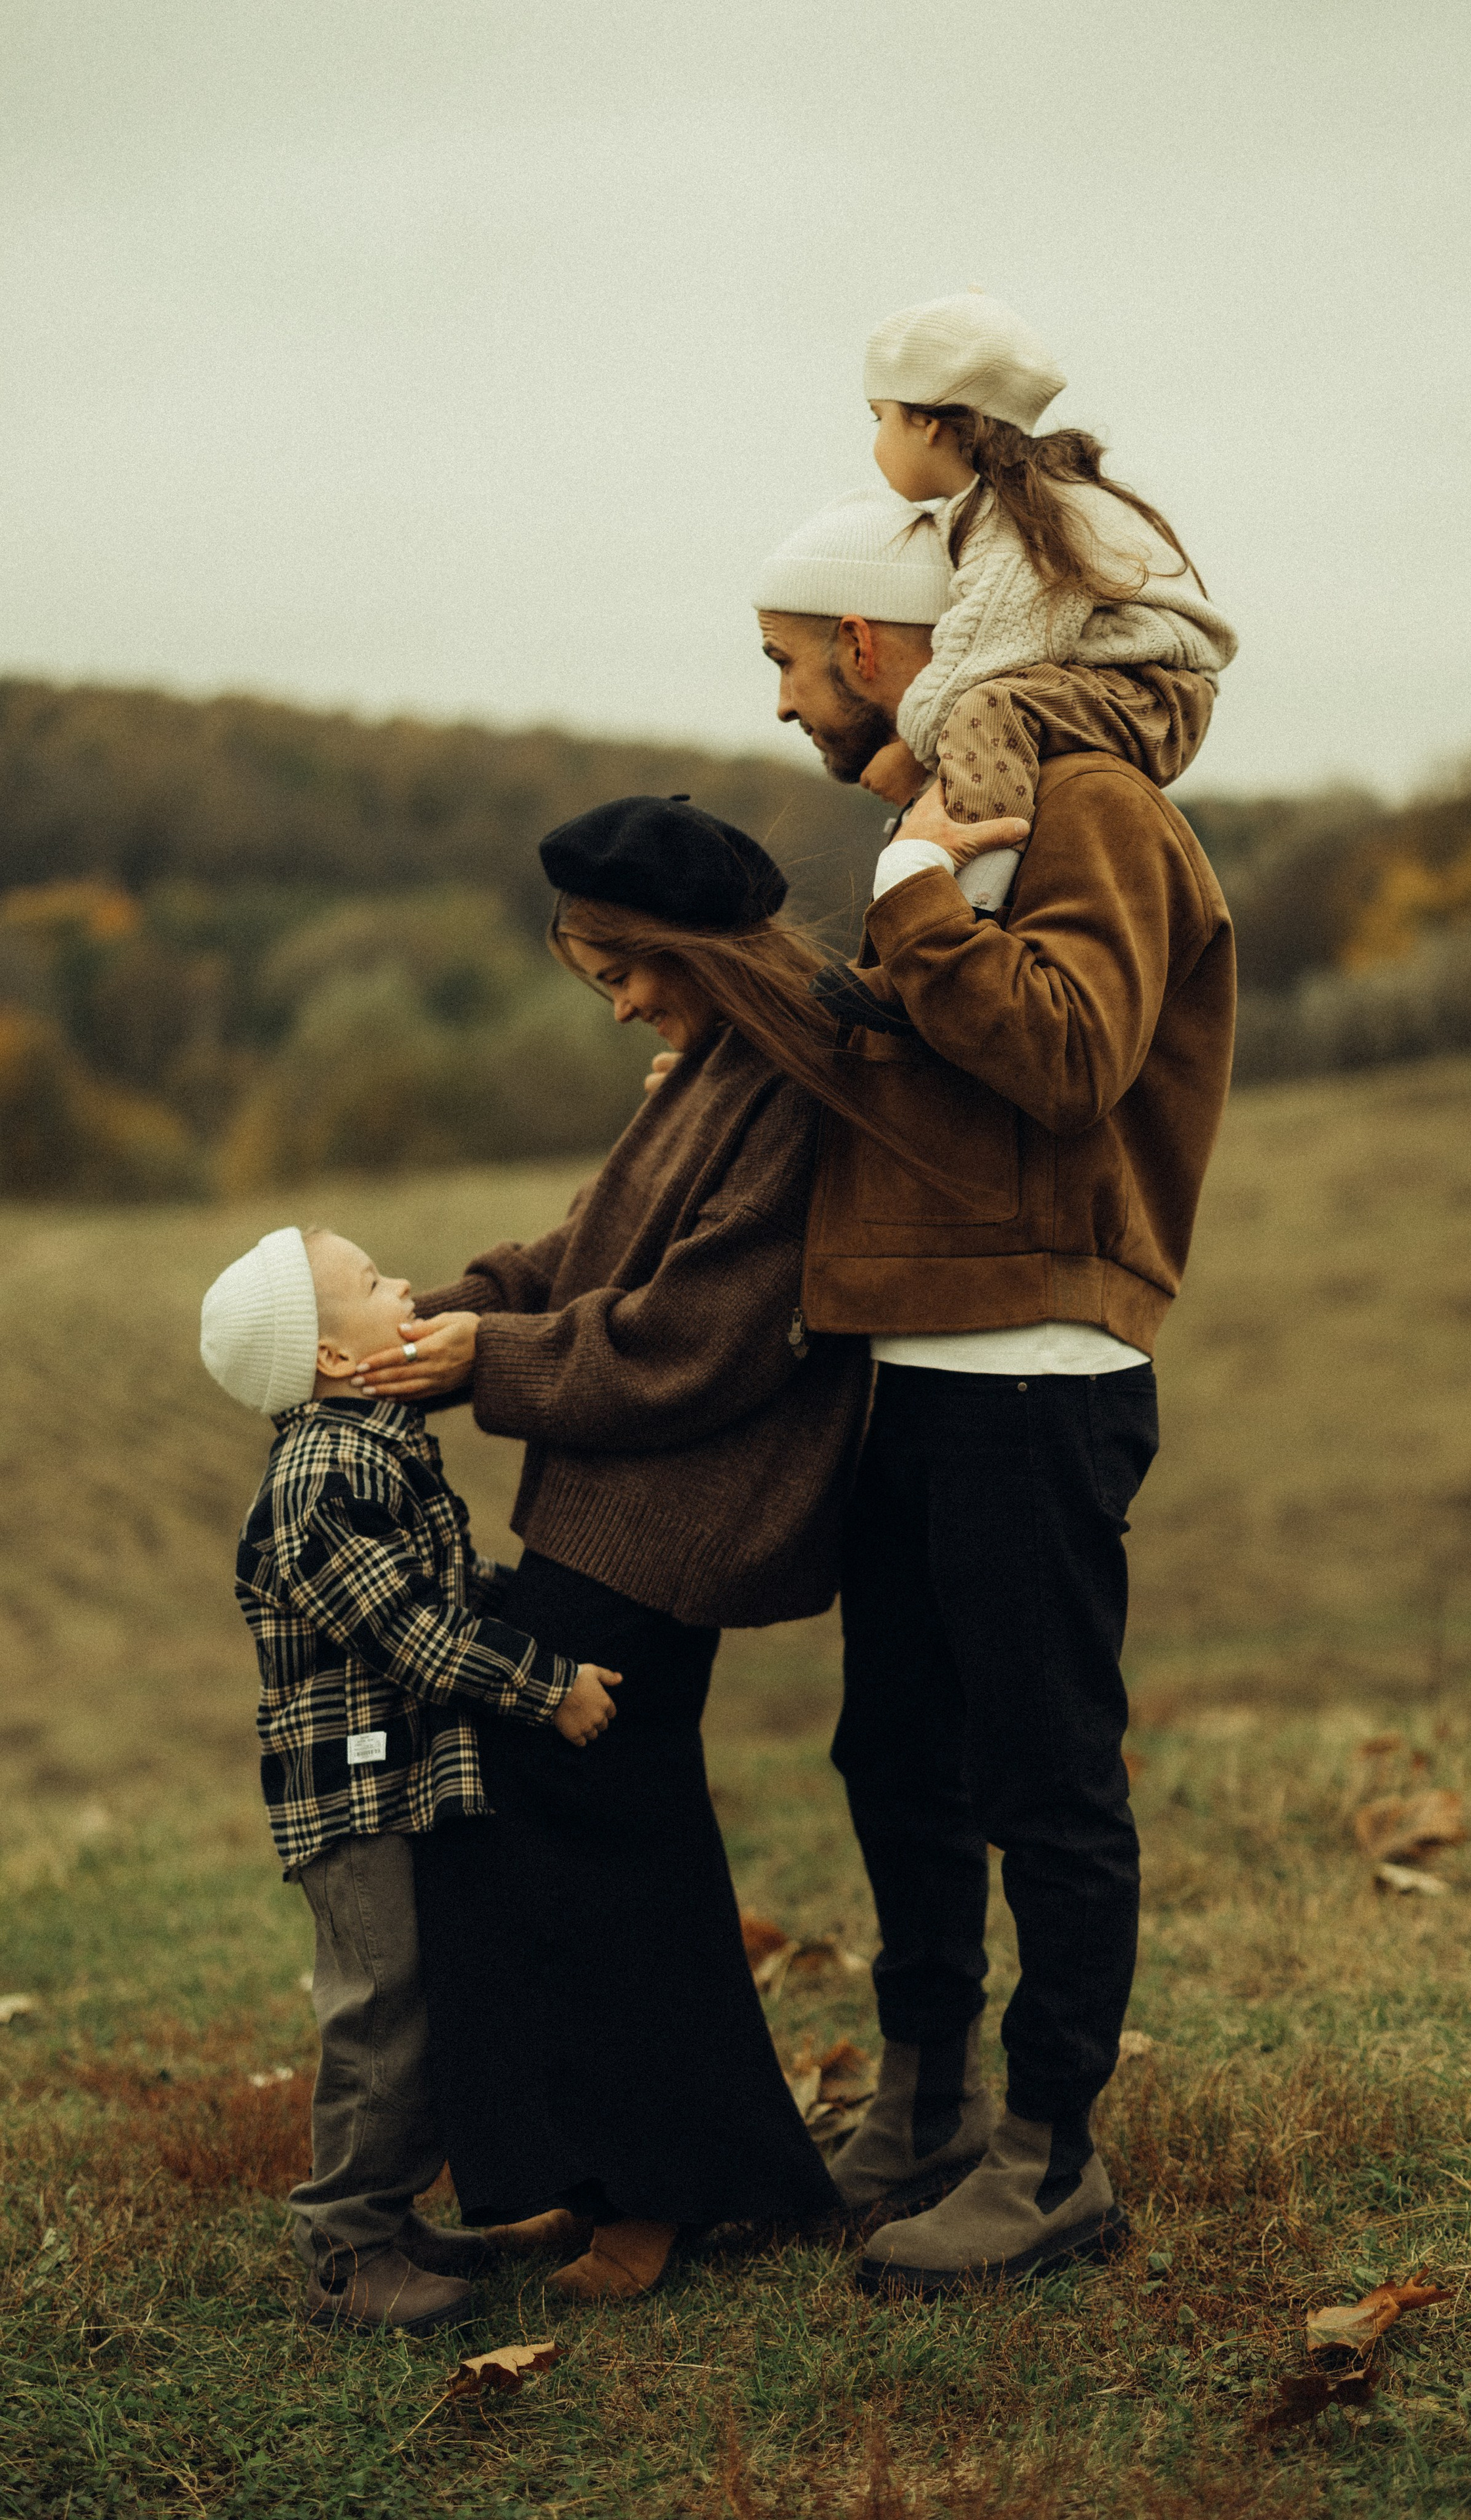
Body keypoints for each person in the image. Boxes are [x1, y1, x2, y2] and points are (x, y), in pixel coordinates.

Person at [350, 795, 953, 2302]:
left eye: (627, 971)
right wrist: (444, 1306)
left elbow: (696, 1337)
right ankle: (605, 2168)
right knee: (555, 1824)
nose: (619, 1002)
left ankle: (675, 2189)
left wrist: (482, 1357)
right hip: (609, 1500)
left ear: (693, 950)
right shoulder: (702, 1072)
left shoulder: (792, 1089)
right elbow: (585, 1249)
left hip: (680, 1513)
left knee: (609, 1841)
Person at [749, 489, 1238, 2293]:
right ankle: (929, 2094)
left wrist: (909, 898)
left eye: (794, 667)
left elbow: (1066, 1054)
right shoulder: (942, 822)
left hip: (1037, 1362)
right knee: (899, 1753)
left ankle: (1051, 2158)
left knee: (1043, 1774)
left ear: (873, 653)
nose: (786, 707)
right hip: (919, 1353)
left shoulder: (1093, 806)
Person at [200, 1225, 620, 2336]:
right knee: (382, 2015)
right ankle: (344, 2252)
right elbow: (416, 1634)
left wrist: (528, 1604)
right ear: (335, 1359)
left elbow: (440, 1583)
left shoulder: (372, 1447)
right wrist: (548, 1681)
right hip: (353, 1796)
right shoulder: (323, 1473)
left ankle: (386, 2217)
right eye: (379, 1282)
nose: (405, 1287)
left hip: (395, 1784)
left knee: (420, 2007)